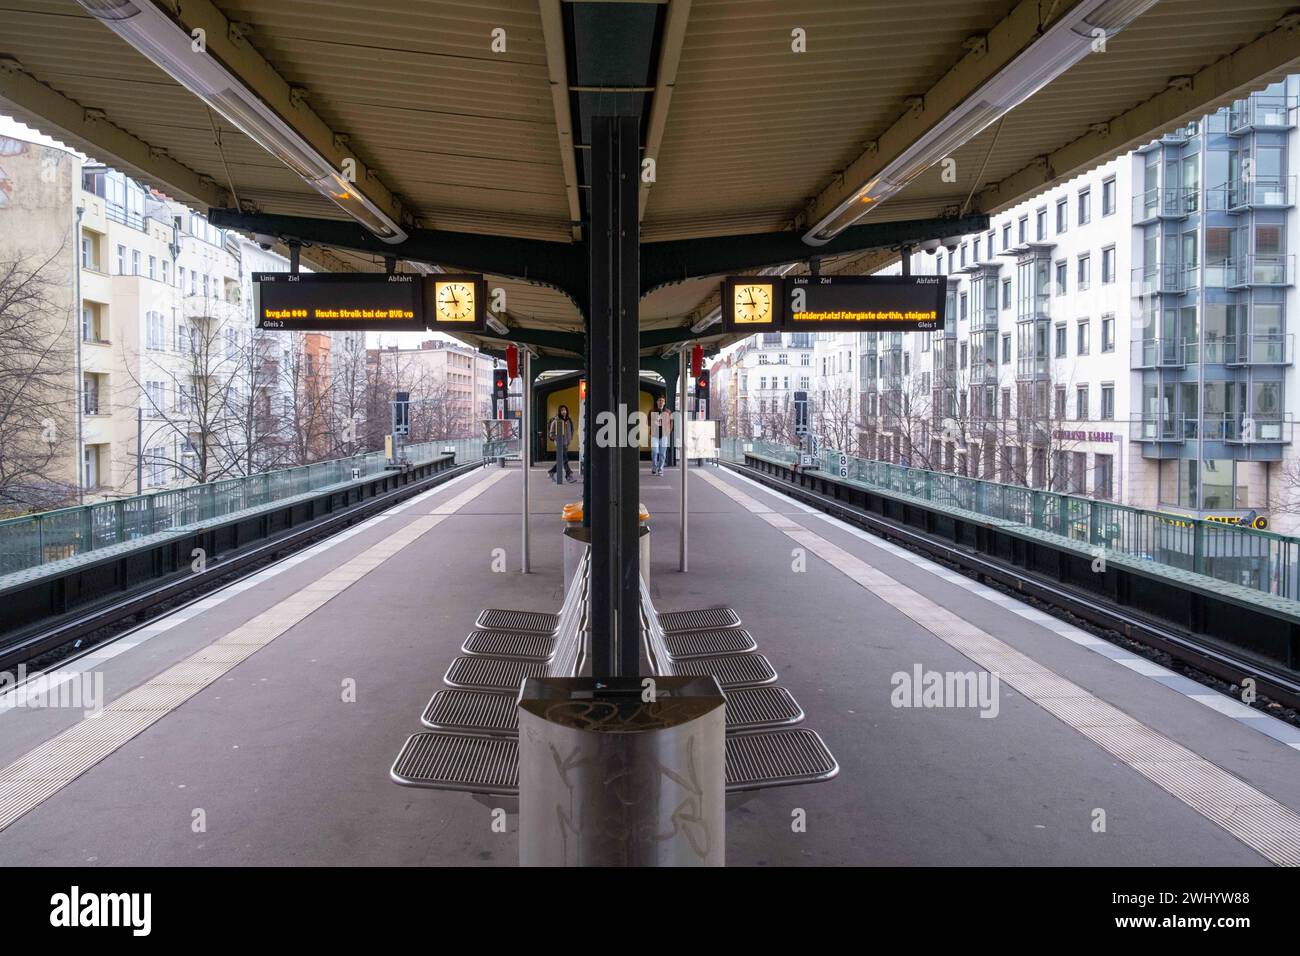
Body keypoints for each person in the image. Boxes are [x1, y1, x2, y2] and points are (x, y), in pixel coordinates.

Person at [548, 404, 575, 484]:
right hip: (560, 444)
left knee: (561, 460)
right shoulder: (556, 421)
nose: (564, 412)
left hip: (566, 443)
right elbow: (551, 434)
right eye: (562, 410)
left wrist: (570, 439)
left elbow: (572, 430)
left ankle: (551, 472)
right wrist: (558, 439)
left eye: (565, 410)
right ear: (559, 411)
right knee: (565, 460)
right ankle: (569, 475)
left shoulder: (568, 420)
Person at [649, 395, 673, 476]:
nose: (661, 402)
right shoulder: (652, 411)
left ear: (664, 402)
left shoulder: (668, 412)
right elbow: (648, 422)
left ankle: (660, 469)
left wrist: (668, 431)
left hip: (664, 435)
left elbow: (671, 423)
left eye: (662, 401)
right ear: (657, 402)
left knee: (662, 454)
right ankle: (654, 468)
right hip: (654, 435)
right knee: (655, 452)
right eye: (659, 400)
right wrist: (654, 422)